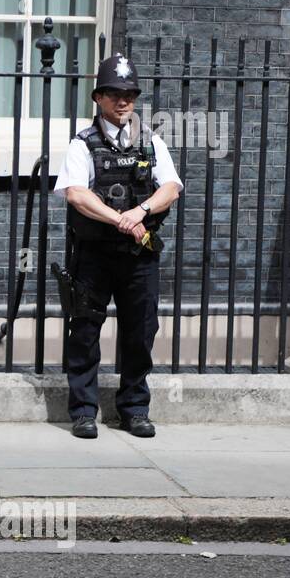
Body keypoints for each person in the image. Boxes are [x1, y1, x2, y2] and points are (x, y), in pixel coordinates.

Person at [53, 53, 184, 439]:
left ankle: (135, 409)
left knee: (140, 332)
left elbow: (171, 188)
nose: (122, 101)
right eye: (113, 93)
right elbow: (76, 194)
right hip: (94, 254)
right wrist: (119, 219)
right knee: (85, 331)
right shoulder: (82, 144)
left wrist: (139, 211)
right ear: (99, 98)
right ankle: (83, 411)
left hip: (138, 254)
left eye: (128, 93)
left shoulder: (152, 142)